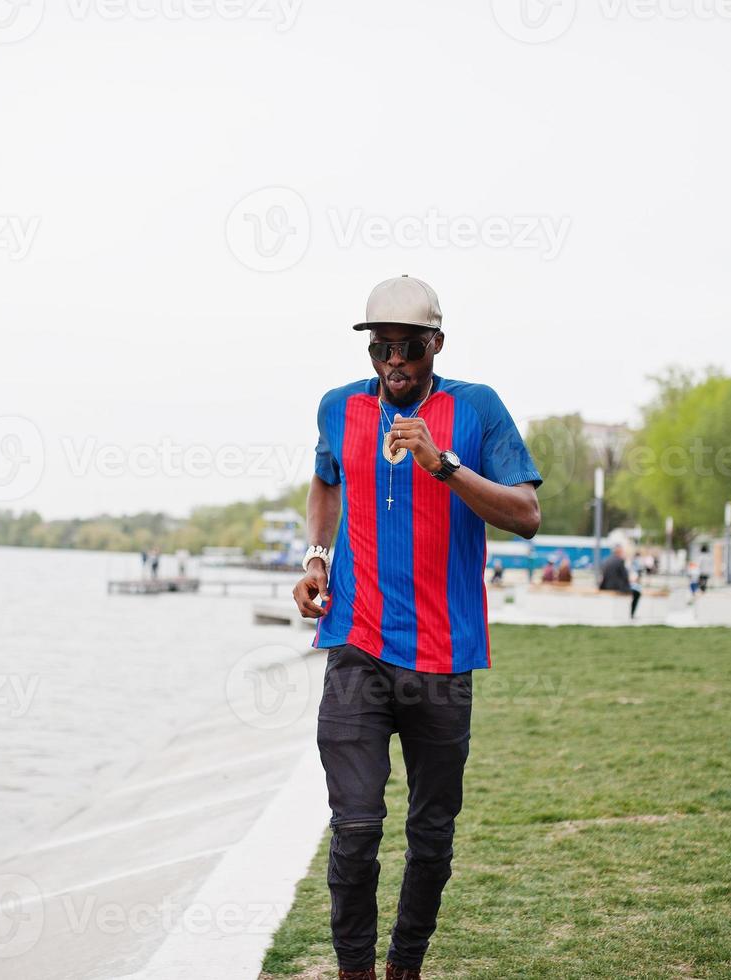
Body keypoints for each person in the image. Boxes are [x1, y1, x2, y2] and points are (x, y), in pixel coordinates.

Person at [292, 275, 542, 980]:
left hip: (442, 655)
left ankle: (404, 966)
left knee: (430, 835)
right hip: (356, 646)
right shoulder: (337, 409)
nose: (394, 363)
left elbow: (525, 516)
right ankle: (354, 972)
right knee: (355, 828)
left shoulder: (477, 409)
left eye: (408, 348)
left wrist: (443, 463)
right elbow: (324, 480)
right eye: (381, 349)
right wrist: (316, 557)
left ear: (436, 344)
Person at [598, 545, 641, 619]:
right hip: (616, 587)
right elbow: (625, 576)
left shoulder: (607, 560)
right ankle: (631, 614)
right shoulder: (620, 561)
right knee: (637, 593)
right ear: (619, 552)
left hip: (605, 586)